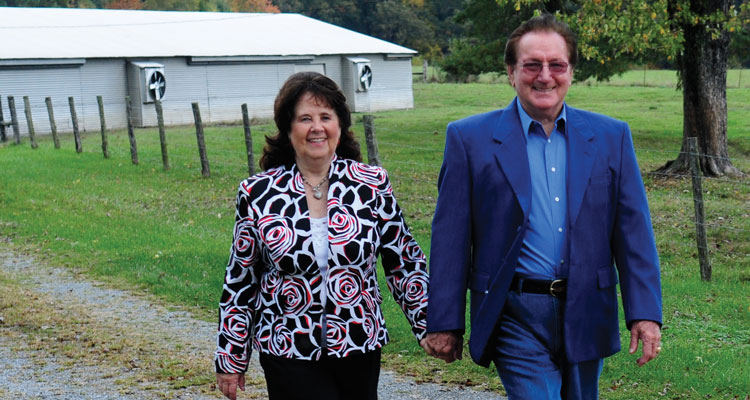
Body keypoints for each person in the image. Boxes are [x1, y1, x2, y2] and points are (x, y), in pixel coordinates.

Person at [422, 14, 662, 400]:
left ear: (571, 72)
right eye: (532, 65)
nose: (545, 76)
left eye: (557, 65)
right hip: (513, 311)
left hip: (587, 307)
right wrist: (445, 321)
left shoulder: (611, 137)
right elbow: (450, 238)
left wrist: (645, 313)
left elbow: (633, 233)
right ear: (511, 72)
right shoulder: (469, 139)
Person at [214, 71, 430, 400]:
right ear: (288, 128)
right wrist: (231, 356)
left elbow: (404, 262)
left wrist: (428, 324)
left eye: (325, 117)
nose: (317, 127)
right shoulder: (258, 193)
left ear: (339, 125)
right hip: (287, 349)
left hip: (359, 344)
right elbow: (241, 281)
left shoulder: (371, 184)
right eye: (305, 118)